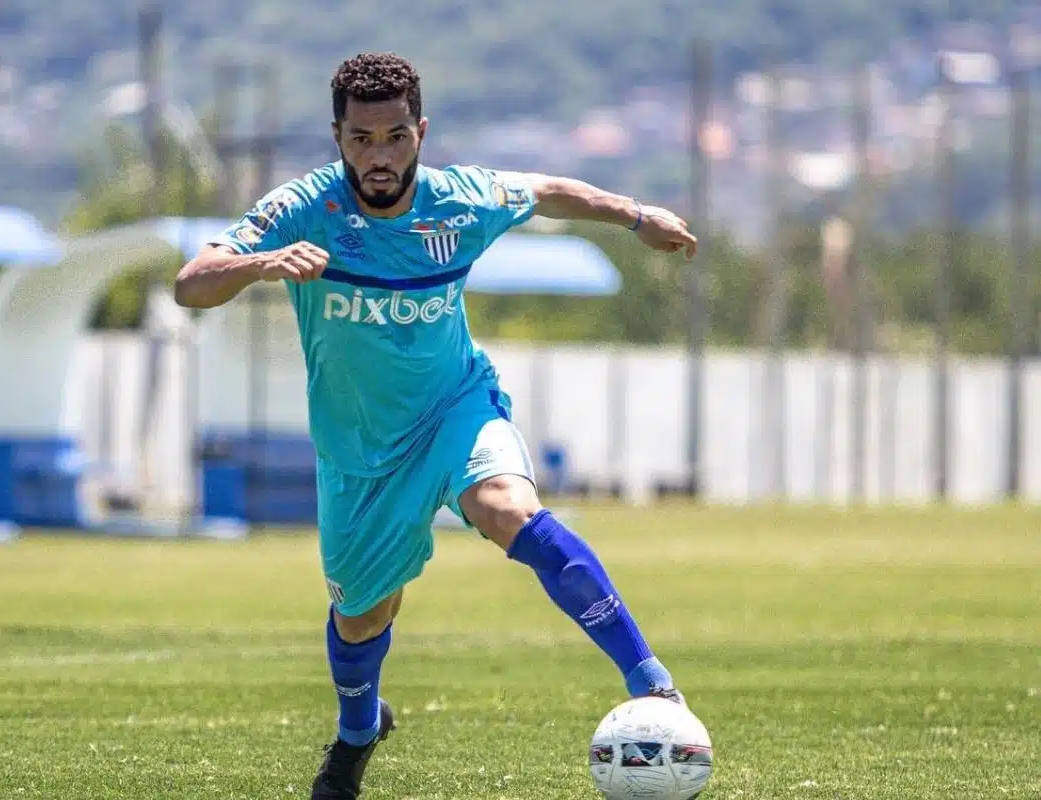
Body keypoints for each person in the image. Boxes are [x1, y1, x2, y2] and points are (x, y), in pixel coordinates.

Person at [175, 51, 698, 800]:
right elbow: (190, 284)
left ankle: (653, 685)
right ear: (337, 137)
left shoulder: (461, 200)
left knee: (509, 509)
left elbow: (548, 191)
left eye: (395, 137)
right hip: (360, 454)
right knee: (362, 618)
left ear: (420, 132)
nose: (379, 156)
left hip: (456, 408)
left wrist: (638, 217)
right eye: (361, 140)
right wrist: (262, 263)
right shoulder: (304, 206)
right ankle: (358, 733)